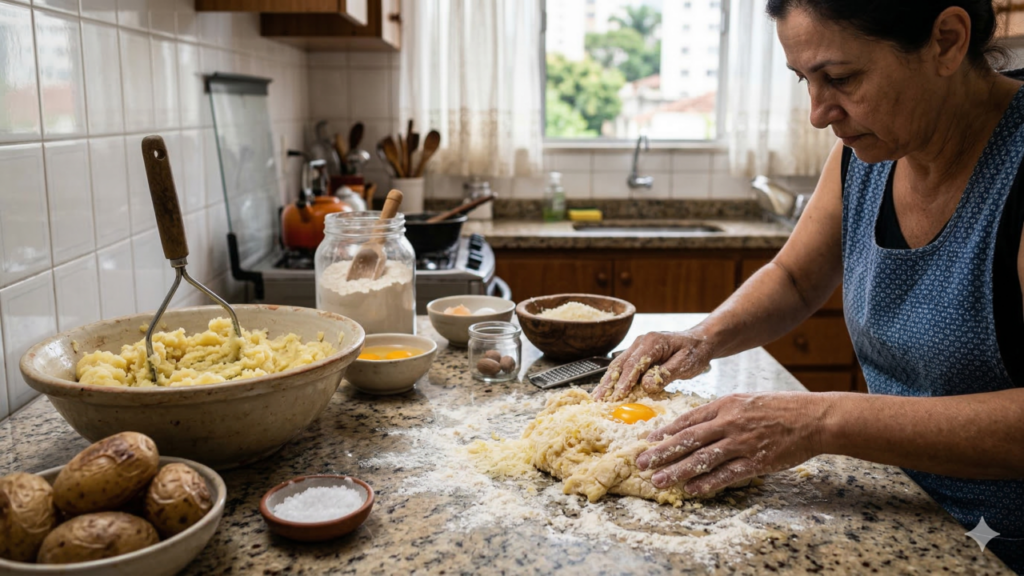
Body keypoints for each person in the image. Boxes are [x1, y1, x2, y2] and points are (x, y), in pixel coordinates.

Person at [591, 1, 1024, 570]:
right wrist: (702, 338)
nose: (819, 114)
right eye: (805, 80)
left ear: (945, 41)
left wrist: (819, 420)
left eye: (841, 78)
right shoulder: (867, 153)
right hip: (906, 507)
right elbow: (795, 279)